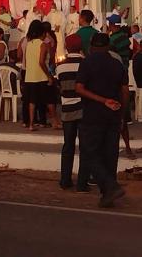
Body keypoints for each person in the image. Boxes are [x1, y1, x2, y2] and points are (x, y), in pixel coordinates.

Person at [75, 33, 128, 207]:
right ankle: (108, 194)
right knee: (110, 155)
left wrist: (102, 100)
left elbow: (79, 88)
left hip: (93, 114)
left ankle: (110, 186)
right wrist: (122, 113)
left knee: (90, 153)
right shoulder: (117, 64)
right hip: (114, 114)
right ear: (108, 46)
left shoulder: (87, 63)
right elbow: (125, 91)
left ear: (92, 46)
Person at [55, 34, 88, 191]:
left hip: (67, 109)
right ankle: (82, 183)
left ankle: (65, 180)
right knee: (84, 146)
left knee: (68, 145)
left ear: (67, 47)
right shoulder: (85, 64)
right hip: (83, 109)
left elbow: (59, 86)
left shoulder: (60, 66)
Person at [24, 20, 55, 131]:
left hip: (30, 76)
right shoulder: (43, 45)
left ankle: (31, 124)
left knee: (32, 101)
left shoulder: (28, 44)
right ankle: (55, 121)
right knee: (49, 99)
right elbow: (42, 61)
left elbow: (27, 61)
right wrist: (49, 75)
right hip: (41, 76)